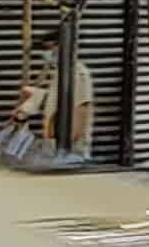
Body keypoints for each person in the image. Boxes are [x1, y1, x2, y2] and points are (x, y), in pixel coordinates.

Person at [9, 23, 95, 154]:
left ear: (64, 48)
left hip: (69, 150)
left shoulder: (78, 74)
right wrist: (28, 101)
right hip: (54, 146)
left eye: (50, 48)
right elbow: (56, 101)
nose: (47, 53)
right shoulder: (60, 74)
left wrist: (64, 148)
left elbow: (81, 111)